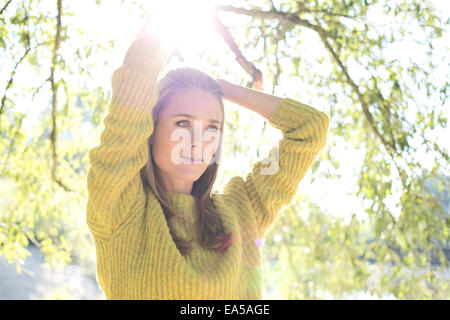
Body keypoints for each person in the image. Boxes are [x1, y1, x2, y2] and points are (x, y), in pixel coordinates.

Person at [86, 17, 330, 300]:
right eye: (183, 123)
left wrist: (223, 88)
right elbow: (135, 80)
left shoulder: (241, 210)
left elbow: (309, 128)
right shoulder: (120, 207)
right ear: (149, 129)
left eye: (212, 127)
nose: (198, 140)